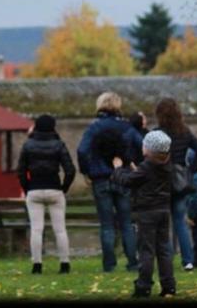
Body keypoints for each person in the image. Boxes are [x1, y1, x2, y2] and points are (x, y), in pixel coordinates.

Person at [76, 91, 142, 273]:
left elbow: (82, 151)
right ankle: (132, 262)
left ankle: (109, 265)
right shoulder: (127, 127)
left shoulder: (94, 128)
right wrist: (131, 163)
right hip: (124, 177)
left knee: (107, 224)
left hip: (100, 179)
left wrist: (86, 171)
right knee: (127, 223)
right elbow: (142, 145)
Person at [111, 130, 176, 298]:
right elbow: (143, 178)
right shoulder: (167, 164)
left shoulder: (147, 167)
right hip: (163, 210)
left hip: (147, 213)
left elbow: (127, 181)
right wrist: (136, 170)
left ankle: (143, 286)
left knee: (146, 250)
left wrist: (117, 169)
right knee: (163, 250)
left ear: (149, 149)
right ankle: (169, 287)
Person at [17, 114, 76, 275]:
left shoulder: (28, 145)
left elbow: (21, 170)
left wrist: (27, 187)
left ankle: (37, 265)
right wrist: (64, 187)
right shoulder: (59, 144)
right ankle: (64, 264)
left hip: (34, 189)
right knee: (60, 229)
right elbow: (70, 170)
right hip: (54, 188)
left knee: (36, 229)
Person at [153, 98, 197, 271]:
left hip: (161, 182)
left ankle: (166, 261)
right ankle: (188, 260)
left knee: (163, 224)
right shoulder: (184, 132)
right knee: (181, 222)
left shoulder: (157, 133)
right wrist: (191, 171)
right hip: (181, 181)